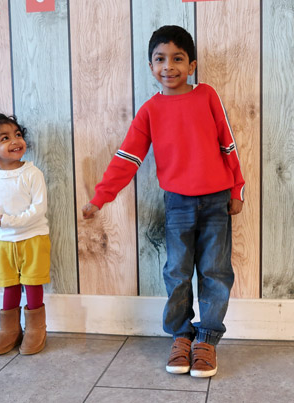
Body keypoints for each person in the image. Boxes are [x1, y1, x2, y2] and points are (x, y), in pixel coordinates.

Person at [82, 25, 245, 377]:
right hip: (178, 203)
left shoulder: (207, 96)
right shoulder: (150, 110)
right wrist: (101, 197)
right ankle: (181, 336)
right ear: (150, 65)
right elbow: (128, 157)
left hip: (216, 202)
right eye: (160, 59)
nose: (168, 66)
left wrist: (237, 190)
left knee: (216, 272)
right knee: (177, 272)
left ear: (192, 65)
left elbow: (228, 144)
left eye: (177, 59)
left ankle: (207, 340)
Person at [0, 109, 50, 356]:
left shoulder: (32, 173)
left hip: (33, 238)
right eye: (5, 138)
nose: (16, 141)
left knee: (32, 282)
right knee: (10, 285)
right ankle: (9, 330)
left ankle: (36, 329)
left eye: (17, 135)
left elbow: (38, 209)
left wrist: (6, 220)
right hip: (4, 241)